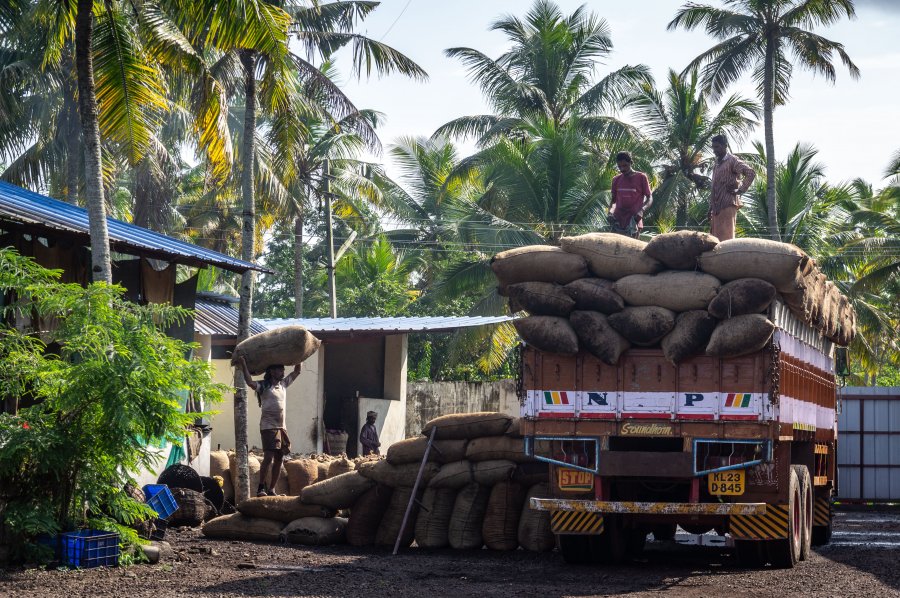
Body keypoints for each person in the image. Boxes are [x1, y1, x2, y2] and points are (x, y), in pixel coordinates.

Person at [238, 357, 301, 496]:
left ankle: (272, 489)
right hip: (268, 426)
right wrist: (243, 364)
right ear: (272, 372)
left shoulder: (283, 384)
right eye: (280, 370)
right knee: (268, 457)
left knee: (280, 458)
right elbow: (249, 382)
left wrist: (299, 355)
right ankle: (261, 487)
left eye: (283, 370)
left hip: (281, 427)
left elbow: (297, 371)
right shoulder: (264, 386)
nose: (283, 372)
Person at [709, 134, 756, 241]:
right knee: (714, 240)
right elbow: (714, 186)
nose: (714, 150)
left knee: (726, 240)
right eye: (713, 147)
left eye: (717, 147)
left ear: (725, 146)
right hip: (716, 208)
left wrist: (740, 190)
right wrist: (710, 207)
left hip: (728, 205)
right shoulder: (716, 163)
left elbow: (750, 173)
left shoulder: (732, 160)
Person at [608, 151, 653, 238]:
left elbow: (649, 198)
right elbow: (613, 201)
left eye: (625, 166)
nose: (622, 169)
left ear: (631, 163)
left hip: (633, 222)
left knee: (631, 249)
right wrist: (610, 212)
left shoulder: (641, 177)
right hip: (617, 222)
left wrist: (641, 211)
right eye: (619, 166)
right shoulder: (616, 179)